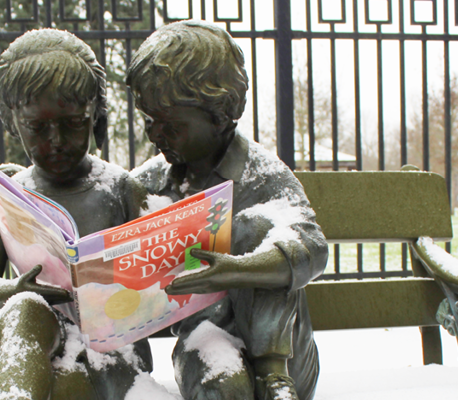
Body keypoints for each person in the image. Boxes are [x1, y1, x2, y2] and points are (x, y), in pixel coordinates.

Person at [126, 20, 329, 400]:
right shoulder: (150, 182)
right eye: (149, 121)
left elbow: (313, 250)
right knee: (223, 389)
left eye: (170, 125)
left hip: (286, 357)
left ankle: (271, 376)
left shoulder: (260, 172)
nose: (155, 135)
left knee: (257, 226)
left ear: (220, 116)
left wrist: (233, 271)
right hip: (204, 341)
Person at [0, 28, 155, 400]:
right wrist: (17, 288)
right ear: (12, 121)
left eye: (72, 123)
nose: (55, 140)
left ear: (93, 116)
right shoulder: (10, 195)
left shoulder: (121, 188)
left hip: (111, 340)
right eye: (37, 127)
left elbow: (161, 267)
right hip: (38, 339)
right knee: (24, 311)